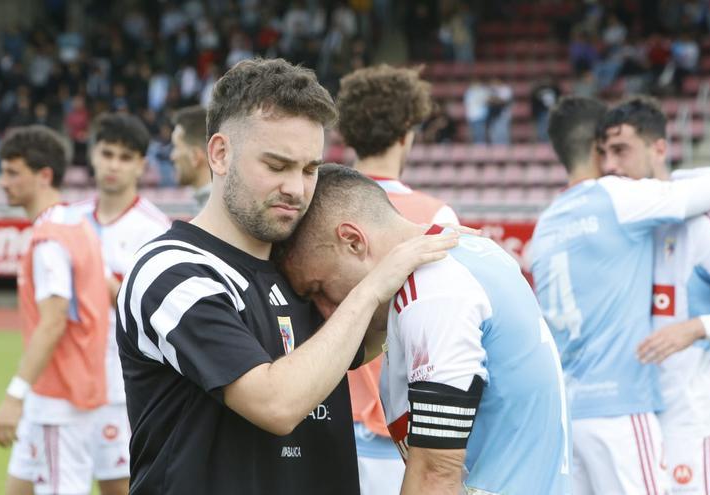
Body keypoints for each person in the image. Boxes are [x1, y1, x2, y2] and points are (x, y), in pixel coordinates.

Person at [115, 58, 458, 494]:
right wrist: (373, 286)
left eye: (310, 169)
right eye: (277, 166)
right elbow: (276, 404)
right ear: (220, 154)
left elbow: (365, 342)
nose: (297, 188)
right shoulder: (172, 271)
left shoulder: (300, 265)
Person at [277, 164, 571, 494]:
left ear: (353, 241)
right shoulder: (466, 254)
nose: (328, 312)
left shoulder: (434, 290)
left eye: (319, 288)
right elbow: (343, 355)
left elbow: (436, 476)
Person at [529, 96, 710, 495]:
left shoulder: (544, 226)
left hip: (568, 416)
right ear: (598, 147)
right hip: (621, 407)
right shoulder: (618, 197)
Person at [597, 96, 710, 495]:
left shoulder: (704, 222)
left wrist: (695, 328)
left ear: (658, 148)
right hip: (626, 416)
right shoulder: (619, 222)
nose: (611, 165)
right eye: (604, 153)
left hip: (687, 420)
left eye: (621, 150)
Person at [335, 63, 459, 495]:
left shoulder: (315, 208)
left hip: (320, 414)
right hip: (400, 427)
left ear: (347, 131)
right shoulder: (436, 218)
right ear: (408, 130)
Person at [0, 125, 110, 495]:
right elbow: (111, 289)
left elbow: (54, 320)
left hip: (61, 399)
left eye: (12, 172)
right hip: (59, 393)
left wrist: (14, 394)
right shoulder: (78, 224)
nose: (2, 182)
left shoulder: (50, 241)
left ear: (44, 176)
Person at [68, 113, 171, 495]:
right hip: (67, 384)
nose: (113, 164)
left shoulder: (156, 230)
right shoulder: (68, 220)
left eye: (125, 157)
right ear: (92, 155)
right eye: (107, 153)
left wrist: (106, 284)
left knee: (121, 487)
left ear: (142, 165)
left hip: (121, 388)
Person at [170, 105, 212, 208]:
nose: (172, 156)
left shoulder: (215, 212)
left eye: (176, 147)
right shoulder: (206, 204)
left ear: (195, 156)